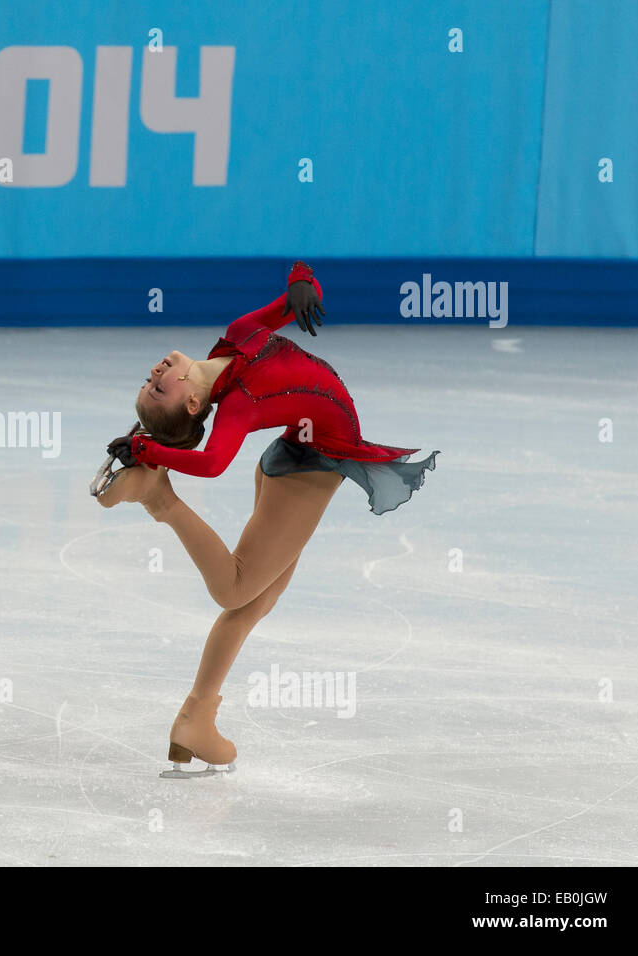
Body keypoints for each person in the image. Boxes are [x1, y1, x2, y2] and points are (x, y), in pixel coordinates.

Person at [98, 261, 439, 771]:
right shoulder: (239, 402)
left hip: (293, 455)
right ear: (194, 403)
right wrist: (151, 454)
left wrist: (303, 282)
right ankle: (158, 498)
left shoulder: (236, 337)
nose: (155, 373)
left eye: (151, 380)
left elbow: (291, 304)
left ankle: (197, 719)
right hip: (308, 467)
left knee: (258, 600)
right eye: (159, 389)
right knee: (237, 589)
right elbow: (213, 462)